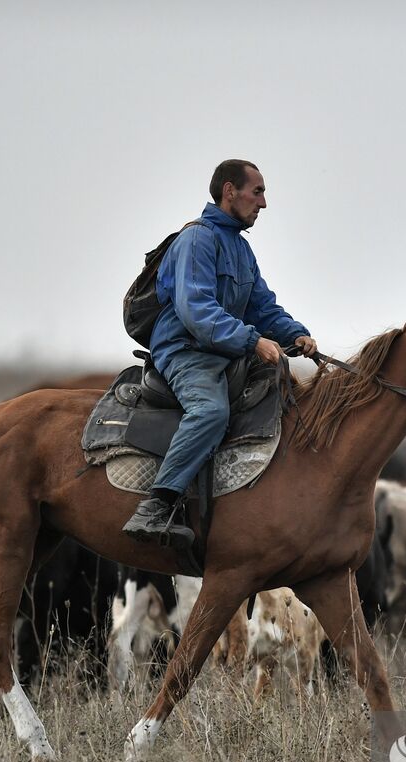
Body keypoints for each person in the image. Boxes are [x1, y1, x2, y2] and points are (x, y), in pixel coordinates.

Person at [123, 159, 318, 547]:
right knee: (211, 412)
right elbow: (198, 312)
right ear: (230, 191)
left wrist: (297, 336)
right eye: (257, 192)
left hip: (224, 352)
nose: (263, 203)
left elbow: (263, 309)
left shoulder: (241, 250)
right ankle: (156, 506)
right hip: (185, 352)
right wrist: (252, 341)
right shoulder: (196, 239)